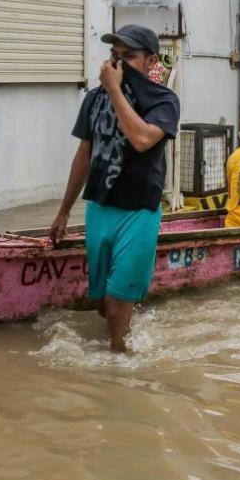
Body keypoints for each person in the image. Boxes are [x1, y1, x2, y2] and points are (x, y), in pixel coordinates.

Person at [49, 25, 179, 353]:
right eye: (114, 56)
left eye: (129, 57)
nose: (118, 64)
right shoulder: (94, 99)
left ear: (151, 61)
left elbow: (142, 139)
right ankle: (120, 338)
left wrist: (116, 91)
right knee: (102, 300)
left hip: (139, 210)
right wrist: (63, 211)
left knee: (119, 294)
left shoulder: (163, 100)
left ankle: (119, 359)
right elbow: (84, 157)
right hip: (100, 206)